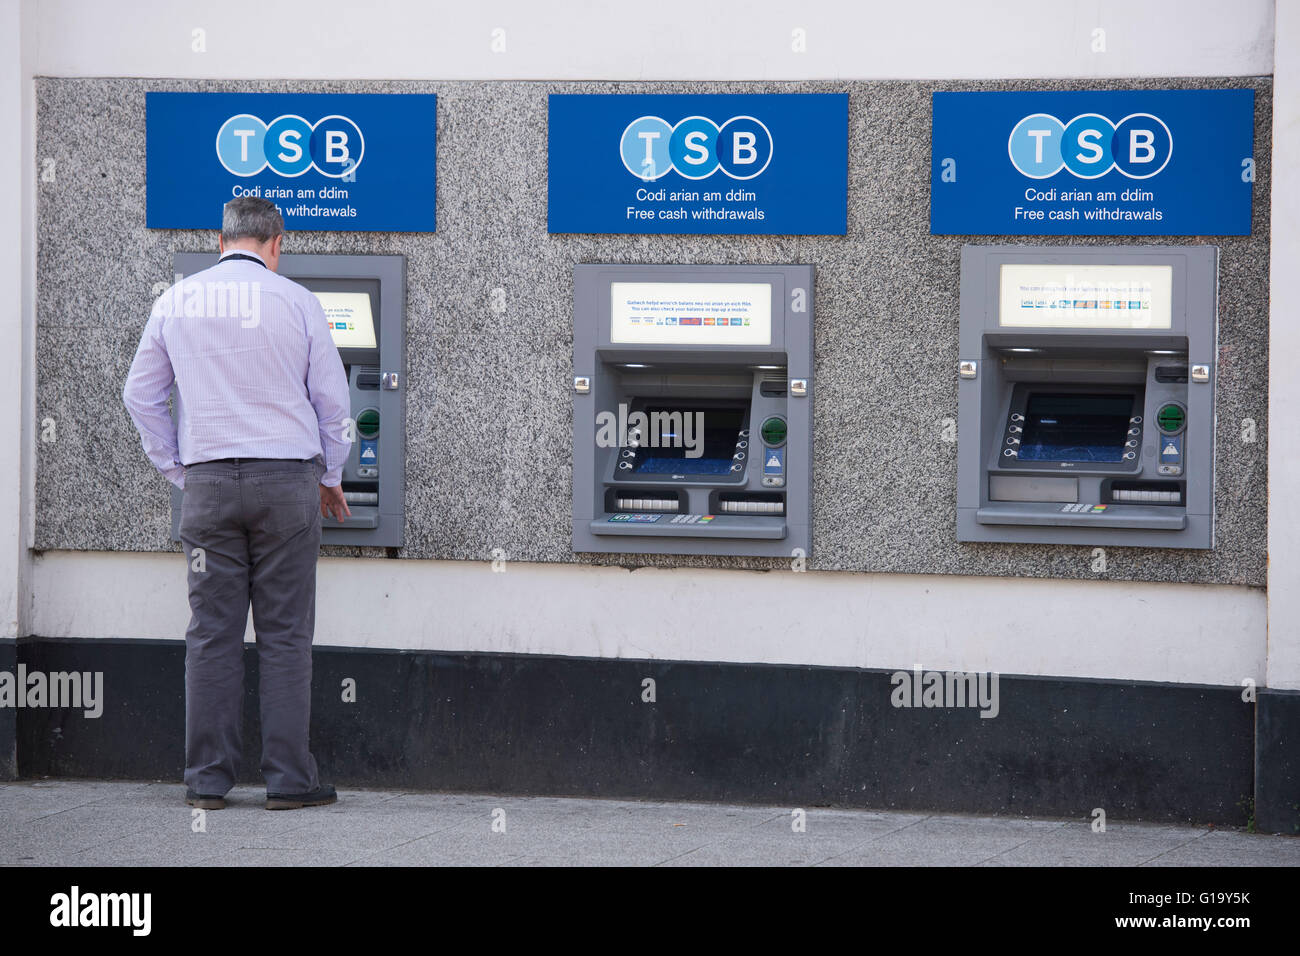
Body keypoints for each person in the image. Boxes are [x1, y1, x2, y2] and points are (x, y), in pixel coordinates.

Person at [122, 196, 353, 811]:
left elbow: (140, 395)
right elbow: (333, 404)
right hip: (286, 487)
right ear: (276, 242)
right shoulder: (298, 302)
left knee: (212, 635)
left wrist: (178, 467)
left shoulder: (177, 299)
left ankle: (207, 781)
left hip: (208, 489)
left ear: (219, 239)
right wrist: (331, 473)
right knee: (284, 635)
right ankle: (288, 781)